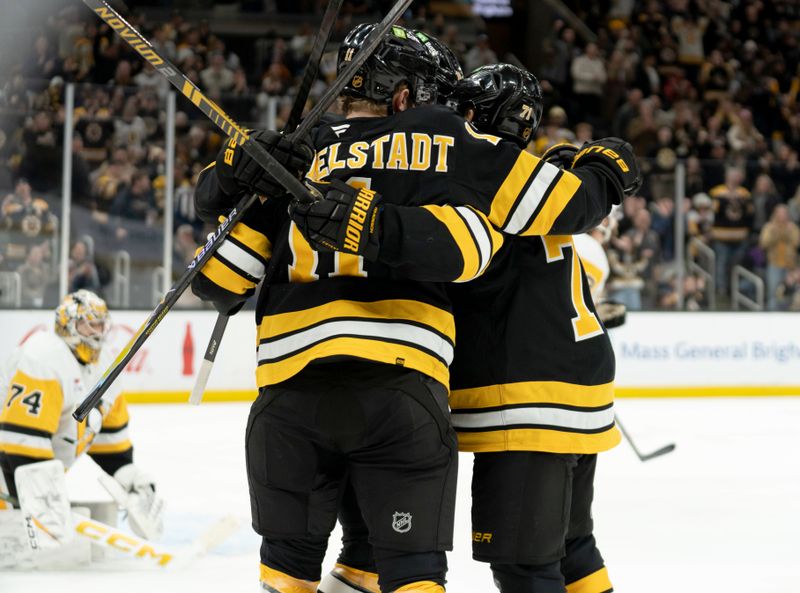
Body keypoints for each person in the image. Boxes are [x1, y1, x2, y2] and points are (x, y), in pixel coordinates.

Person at [193, 24, 633, 593]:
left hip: (289, 387)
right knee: (429, 568)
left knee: (292, 570)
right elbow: (477, 249)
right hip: (407, 386)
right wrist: (608, 169)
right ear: (405, 96)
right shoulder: (447, 140)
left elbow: (218, 281)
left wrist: (226, 176)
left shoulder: (295, 152)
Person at [308, 63, 637, 593]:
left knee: (525, 565)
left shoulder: (472, 181)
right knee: (573, 547)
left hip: (521, 398)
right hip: (583, 388)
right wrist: (599, 174)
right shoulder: (540, 184)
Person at [0, 290, 163, 558]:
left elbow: (111, 443)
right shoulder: (44, 356)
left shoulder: (107, 364)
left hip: (26, 474)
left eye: (100, 324)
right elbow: (19, 440)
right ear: (67, 325)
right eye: (88, 324)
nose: (96, 332)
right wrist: (38, 502)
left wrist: (130, 479)